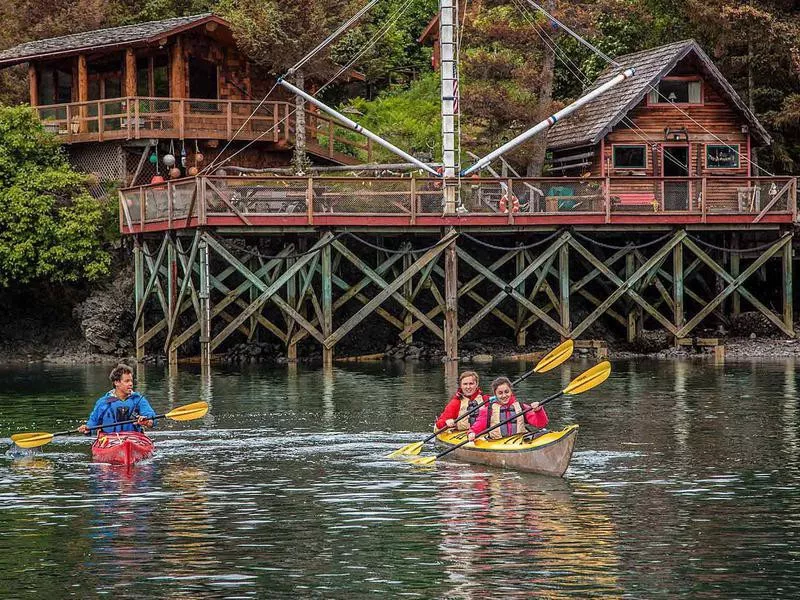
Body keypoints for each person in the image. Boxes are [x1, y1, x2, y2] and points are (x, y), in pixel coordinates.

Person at [78, 364, 156, 435]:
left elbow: (152, 419)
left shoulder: (139, 400)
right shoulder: (103, 402)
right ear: (116, 382)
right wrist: (87, 429)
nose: (131, 384)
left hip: (134, 438)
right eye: (127, 381)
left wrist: (147, 422)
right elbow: (92, 423)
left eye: (131, 381)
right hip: (109, 439)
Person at [467, 376, 548, 442]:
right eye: (500, 393)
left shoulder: (522, 407)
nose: (504, 395)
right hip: (498, 443)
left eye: (506, 392)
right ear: (495, 394)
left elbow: (541, 424)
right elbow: (477, 427)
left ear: (511, 392)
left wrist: (539, 411)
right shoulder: (488, 410)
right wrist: (471, 433)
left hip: (519, 442)